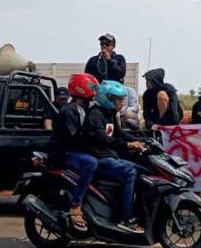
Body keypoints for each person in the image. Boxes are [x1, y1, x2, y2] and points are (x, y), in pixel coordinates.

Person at [82, 80, 146, 233]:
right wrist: (128, 145)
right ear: (107, 98)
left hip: (110, 156)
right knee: (130, 172)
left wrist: (139, 140)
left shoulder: (110, 113)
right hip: (99, 158)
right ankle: (125, 218)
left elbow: (119, 133)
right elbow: (103, 139)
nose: (121, 102)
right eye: (117, 99)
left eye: (121, 99)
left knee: (143, 170)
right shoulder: (95, 114)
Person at [53, 74, 99, 231]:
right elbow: (73, 139)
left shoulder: (85, 109)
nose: (94, 91)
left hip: (77, 150)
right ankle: (76, 205)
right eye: (92, 87)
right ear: (81, 88)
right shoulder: (68, 111)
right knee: (90, 163)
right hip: (66, 153)